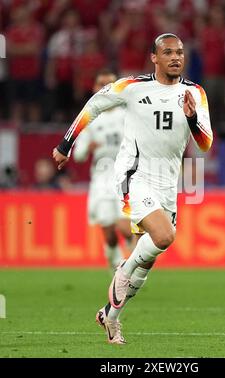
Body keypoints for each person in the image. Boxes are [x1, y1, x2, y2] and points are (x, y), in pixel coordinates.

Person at [53, 33, 213, 345]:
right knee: (164, 236)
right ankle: (123, 268)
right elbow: (94, 105)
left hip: (169, 181)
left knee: (149, 257)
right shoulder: (133, 87)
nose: (175, 57)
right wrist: (66, 143)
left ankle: (110, 317)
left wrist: (193, 120)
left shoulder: (195, 92)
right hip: (136, 174)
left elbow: (205, 144)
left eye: (179, 52)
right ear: (154, 58)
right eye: (167, 52)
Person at [73, 70, 132, 271]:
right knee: (108, 231)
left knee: (126, 227)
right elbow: (78, 155)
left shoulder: (127, 114)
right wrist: (87, 148)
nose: (105, 88)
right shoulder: (88, 118)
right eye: (101, 84)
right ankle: (115, 260)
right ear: (94, 88)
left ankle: (131, 266)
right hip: (101, 179)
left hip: (125, 176)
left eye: (110, 84)